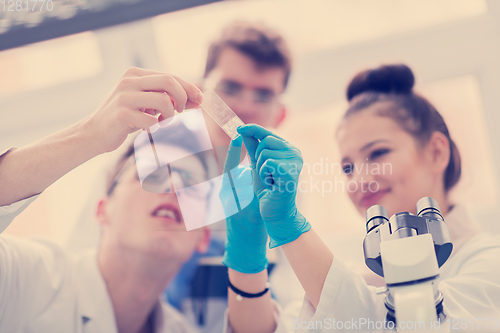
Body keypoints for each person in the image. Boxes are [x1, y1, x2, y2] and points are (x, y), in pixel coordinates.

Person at [223, 64, 500, 332]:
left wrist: (289, 226)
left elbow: (399, 321)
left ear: (437, 152)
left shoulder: (488, 264)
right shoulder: (358, 279)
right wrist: (246, 255)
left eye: (378, 153)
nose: (359, 180)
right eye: (348, 168)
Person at [0, 68, 222, 333]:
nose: (173, 186)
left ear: (204, 237)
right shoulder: (26, 281)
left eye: (192, 184)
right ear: (103, 210)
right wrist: (90, 134)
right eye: (152, 172)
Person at [163, 20, 300, 333]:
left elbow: (284, 290)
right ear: (199, 94)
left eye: (263, 95)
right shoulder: (153, 157)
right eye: (230, 88)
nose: (244, 106)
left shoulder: (281, 179)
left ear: (280, 112)